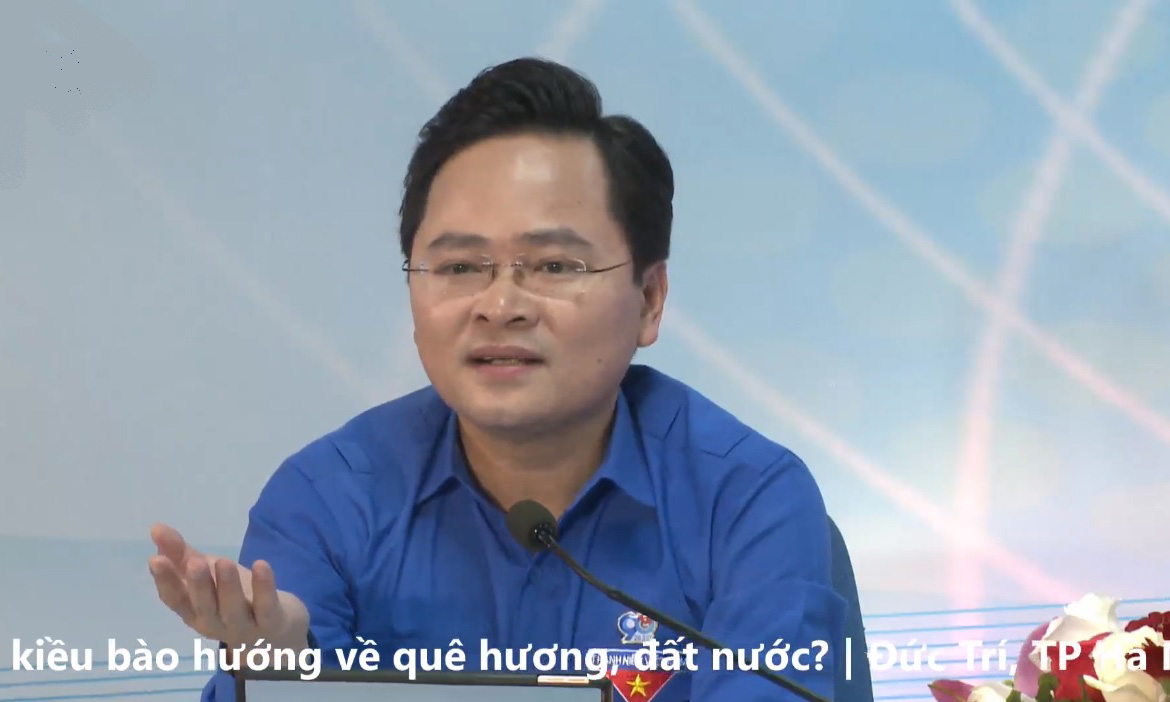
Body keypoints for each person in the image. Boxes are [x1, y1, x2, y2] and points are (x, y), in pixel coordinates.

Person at [148, 56, 845, 702]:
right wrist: (280, 665)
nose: (500, 305)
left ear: (649, 299)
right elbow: (279, 658)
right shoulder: (326, 499)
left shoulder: (747, 500)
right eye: (459, 267)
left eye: (554, 266)